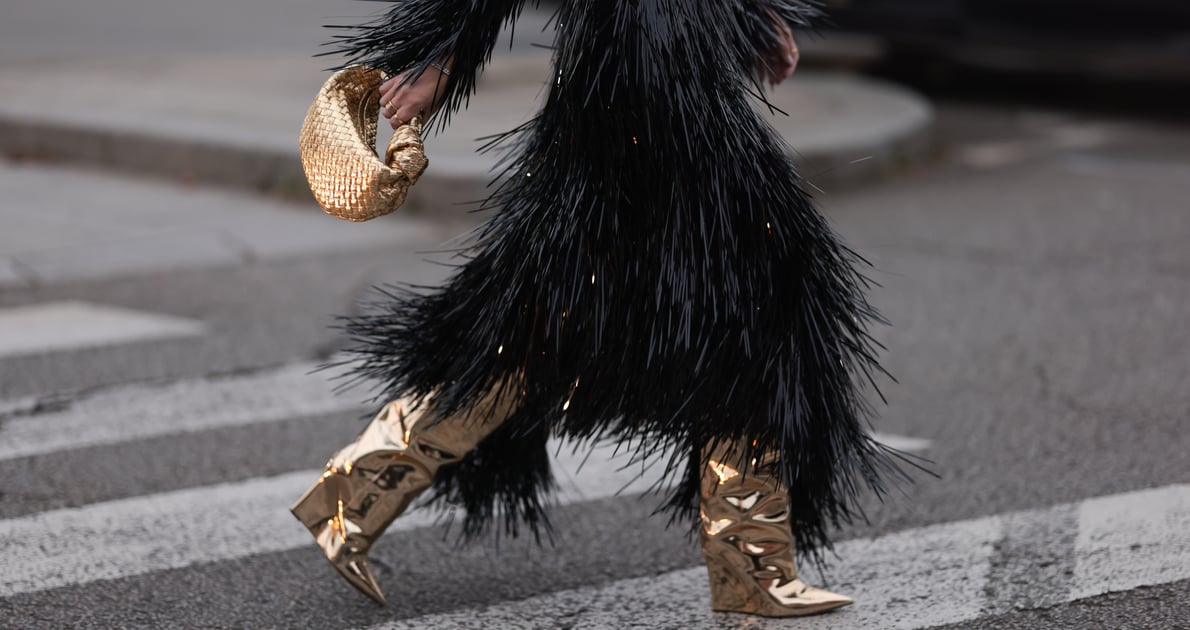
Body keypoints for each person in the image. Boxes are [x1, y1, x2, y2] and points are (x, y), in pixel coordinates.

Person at [291, 0, 904, 618]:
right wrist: (443, 56)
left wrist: (747, 15)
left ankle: (353, 497)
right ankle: (752, 567)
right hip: (637, 100)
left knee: (558, 329)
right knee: (733, 320)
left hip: (659, 95)